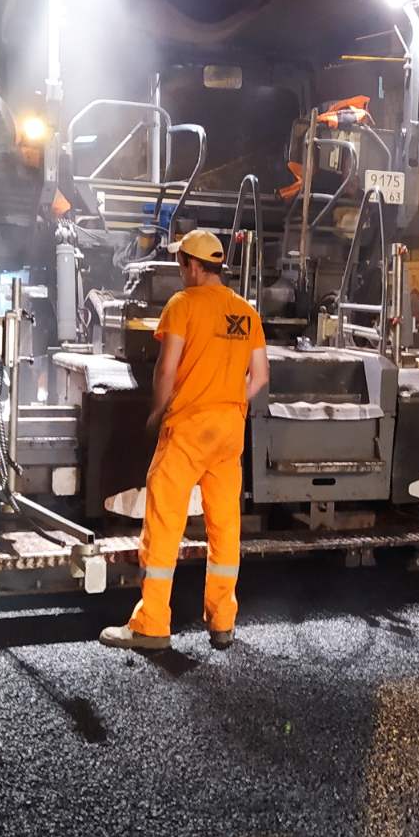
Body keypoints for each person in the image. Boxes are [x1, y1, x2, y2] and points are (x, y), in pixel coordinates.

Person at [100, 229, 269, 652]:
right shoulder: (246, 312)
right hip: (229, 431)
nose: (180, 273)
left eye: (180, 265)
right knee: (224, 527)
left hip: (188, 430)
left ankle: (152, 624)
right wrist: (229, 401)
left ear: (193, 266)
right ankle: (223, 621)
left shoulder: (183, 305)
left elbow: (165, 369)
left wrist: (157, 412)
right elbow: (261, 377)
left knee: (165, 523)